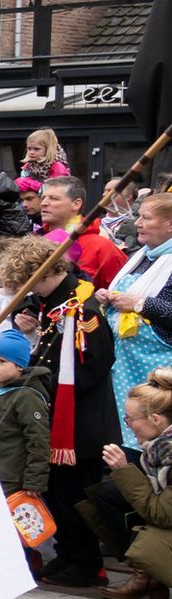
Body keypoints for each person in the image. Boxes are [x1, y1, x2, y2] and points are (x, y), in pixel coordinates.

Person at [16, 251, 118, 588]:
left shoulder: (83, 311)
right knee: (58, 492)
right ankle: (68, 553)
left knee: (76, 495)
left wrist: (40, 380)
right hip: (58, 416)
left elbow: (94, 367)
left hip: (80, 422)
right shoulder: (54, 304)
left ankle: (88, 562)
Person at [96, 192, 172, 450]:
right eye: (139, 216)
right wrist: (107, 297)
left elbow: (144, 303)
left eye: (146, 218)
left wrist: (140, 304)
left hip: (157, 370)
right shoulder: (141, 257)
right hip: (124, 368)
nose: (137, 223)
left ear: (170, 224)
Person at [95, 371, 172, 599]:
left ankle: (147, 576)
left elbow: (163, 515)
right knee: (108, 494)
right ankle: (148, 577)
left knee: (119, 489)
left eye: (131, 419)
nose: (128, 426)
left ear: (156, 419)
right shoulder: (159, 448)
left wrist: (123, 469)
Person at [0, 328, 51, 498]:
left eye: (1, 361)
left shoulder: (27, 396)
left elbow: (38, 440)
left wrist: (34, 480)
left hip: (12, 479)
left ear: (19, 366)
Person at [37, 176, 126, 287]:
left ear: (76, 204)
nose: (43, 203)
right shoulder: (34, 241)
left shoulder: (102, 247)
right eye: (43, 198)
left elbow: (118, 292)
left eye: (53, 198)